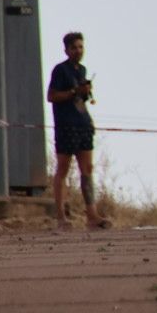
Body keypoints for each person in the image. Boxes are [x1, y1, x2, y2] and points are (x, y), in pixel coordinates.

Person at [47, 31, 107, 230]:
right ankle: (61, 217)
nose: (78, 51)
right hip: (66, 126)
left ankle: (92, 215)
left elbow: (80, 100)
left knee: (87, 170)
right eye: (74, 47)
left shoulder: (81, 70)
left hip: (83, 125)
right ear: (66, 50)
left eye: (80, 47)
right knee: (63, 169)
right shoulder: (60, 70)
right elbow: (52, 96)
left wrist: (85, 93)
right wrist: (74, 92)